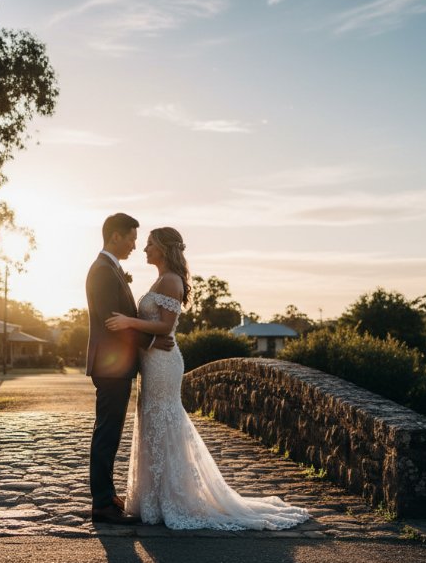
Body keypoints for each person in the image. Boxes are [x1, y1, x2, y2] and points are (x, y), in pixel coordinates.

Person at [105, 227, 310, 530]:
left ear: (163, 248)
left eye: (149, 244)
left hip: (163, 362)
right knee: (152, 423)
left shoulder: (171, 280)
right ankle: (155, 498)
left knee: (163, 421)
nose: (144, 249)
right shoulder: (160, 279)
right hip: (151, 361)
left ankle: (175, 498)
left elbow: (165, 327)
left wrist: (127, 322)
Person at [85, 213, 174, 524]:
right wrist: (152, 341)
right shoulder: (103, 271)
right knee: (107, 433)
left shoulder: (110, 269)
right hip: (111, 365)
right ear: (115, 237)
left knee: (110, 432)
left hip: (115, 365)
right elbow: (114, 322)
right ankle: (102, 504)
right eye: (132, 239)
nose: (135, 246)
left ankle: (107, 496)